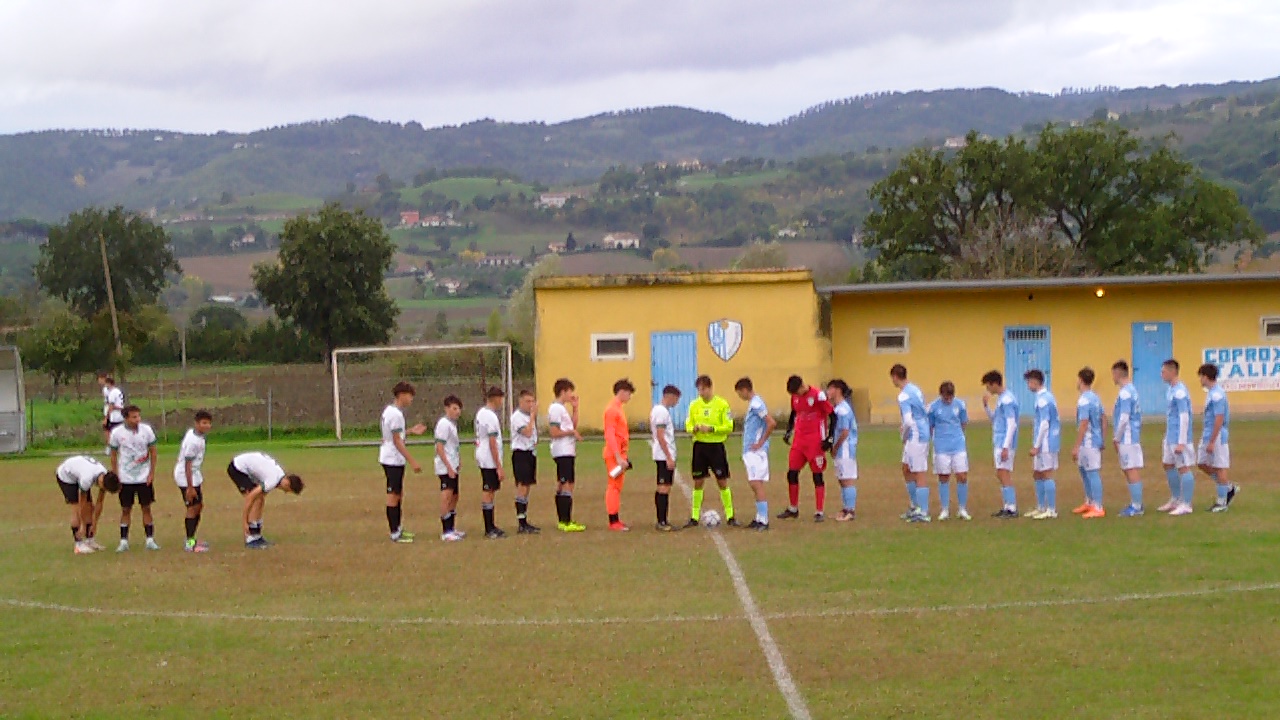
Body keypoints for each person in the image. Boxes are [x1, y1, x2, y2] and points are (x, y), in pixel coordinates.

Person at [779, 374, 833, 522]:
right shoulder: (796, 397)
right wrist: (789, 431)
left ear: (802, 386)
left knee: (817, 475)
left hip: (815, 441)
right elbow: (794, 413)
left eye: (797, 392)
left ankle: (819, 511)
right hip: (799, 440)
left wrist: (830, 438)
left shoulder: (818, 396)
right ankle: (793, 508)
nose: (796, 396)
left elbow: (833, 415)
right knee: (792, 473)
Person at [685, 375, 737, 528]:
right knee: (698, 482)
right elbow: (688, 424)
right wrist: (693, 428)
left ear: (710, 388)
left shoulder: (722, 404)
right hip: (700, 447)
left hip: (716, 447)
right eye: (699, 389)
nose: (701, 392)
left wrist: (712, 429)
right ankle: (694, 517)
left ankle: (730, 515)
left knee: (722, 481)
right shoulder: (694, 405)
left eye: (703, 389)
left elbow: (729, 426)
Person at [381, 382, 429, 544]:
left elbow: (394, 434)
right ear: (401, 395)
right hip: (392, 459)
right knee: (393, 495)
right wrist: (413, 461)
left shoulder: (391, 411)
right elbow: (396, 441)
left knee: (398, 493)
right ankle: (394, 532)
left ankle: (398, 528)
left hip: (392, 458)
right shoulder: (395, 414)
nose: (411, 399)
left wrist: (410, 431)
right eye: (410, 396)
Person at [227, 452, 304, 548]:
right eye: (288, 490)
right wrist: (244, 522)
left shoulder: (279, 475)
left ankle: (256, 535)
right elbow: (250, 498)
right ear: (287, 484)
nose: (285, 492)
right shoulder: (273, 480)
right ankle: (250, 538)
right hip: (237, 468)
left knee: (260, 499)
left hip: (247, 468)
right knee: (256, 500)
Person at [109, 405, 160, 552]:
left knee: (146, 508)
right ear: (126, 418)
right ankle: (123, 541)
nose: (138, 419)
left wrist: (151, 473)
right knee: (126, 509)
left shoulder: (147, 430)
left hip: (143, 478)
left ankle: (150, 540)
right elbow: (113, 454)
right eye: (134, 417)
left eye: (138, 416)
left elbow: (153, 453)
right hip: (126, 478)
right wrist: (116, 474)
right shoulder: (117, 433)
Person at [891, 365, 932, 522]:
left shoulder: (903, 396)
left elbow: (908, 420)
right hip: (919, 431)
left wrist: (904, 435)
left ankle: (923, 511)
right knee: (906, 468)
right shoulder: (916, 389)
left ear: (895, 377)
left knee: (918, 471)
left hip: (916, 435)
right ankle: (915, 506)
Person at [56, 455, 120, 554]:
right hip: (66, 476)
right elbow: (82, 503)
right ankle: (78, 544)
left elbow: (99, 503)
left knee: (90, 507)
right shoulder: (87, 479)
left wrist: (94, 523)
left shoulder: (104, 475)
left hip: (79, 474)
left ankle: (90, 541)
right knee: (76, 508)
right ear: (102, 483)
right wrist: (82, 524)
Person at [735, 377, 776, 531]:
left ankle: (764, 520)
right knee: (754, 483)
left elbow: (771, 422)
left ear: (745, 390)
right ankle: (759, 517)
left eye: (740, 393)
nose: (740, 396)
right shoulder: (754, 403)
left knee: (756, 483)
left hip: (756, 451)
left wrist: (760, 442)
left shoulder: (757, 403)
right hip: (751, 451)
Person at [1197, 363, 1238, 513]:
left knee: (1220, 466)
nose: (1200, 380)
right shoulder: (1211, 393)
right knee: (1201, 462)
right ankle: (1227, 487)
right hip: (1208, 433)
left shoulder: (1217, 395)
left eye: (1201, 376)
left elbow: (1219, 418)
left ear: (1206, 377)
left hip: (1217, 434)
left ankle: (1222, 502)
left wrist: (1213, 441)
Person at [927, 381, 970, 521]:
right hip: (941, 447)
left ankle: (962, 509)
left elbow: (963, 423)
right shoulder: (933, 407)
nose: (948, 399)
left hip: (958, 445)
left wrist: (958, 437)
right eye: (946, 397)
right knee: (943, 477)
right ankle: (944, 509)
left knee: (962, 476)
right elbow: (930, 426)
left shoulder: (960, 405)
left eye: (950, 397)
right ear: (941, 395)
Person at [546, 379, 586, 532]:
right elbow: (554, 432)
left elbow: (572, 426)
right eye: (570, 391)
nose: (572, 395)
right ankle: (565, 521)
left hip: (568, 451)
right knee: (566, 484)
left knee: (567, 482)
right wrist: (571, 433)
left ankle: (565, 520)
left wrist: (575, 409)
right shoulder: (556, 409)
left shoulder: (562, 408)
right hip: (562, 451)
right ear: (563, 391)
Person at [1160, 359, 1196, 516]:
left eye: (1164, 371)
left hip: (1179, 437)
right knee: (1167, 464)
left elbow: (1184, 416)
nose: (1162, 374)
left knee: (1183, 467)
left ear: (1172, 371)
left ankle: (1186, 504)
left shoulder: (1180, 392)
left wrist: (1182, 441)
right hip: (1170, 435)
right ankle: (1175, 499)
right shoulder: (1171, 390)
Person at [982, 370, 1020, 518]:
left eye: (988, 386)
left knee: (1004, 473)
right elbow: (995, 420)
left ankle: (1011, 507)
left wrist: (1006, 446)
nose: (987, 389)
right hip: (999, 440)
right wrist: (986, 407)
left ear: (994, 384)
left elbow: (1012, 424)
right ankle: (1007, 505)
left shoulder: (1007, 400)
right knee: (1001, 473)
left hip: (1004, 442)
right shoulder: (1002, 399)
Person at [174, 410, 213, 552]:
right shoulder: (193, 441)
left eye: (208, 423)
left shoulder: (196, 435)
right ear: (197, 424)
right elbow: (187, 464)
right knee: (192, 508)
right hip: (186, 476)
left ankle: (192, 539)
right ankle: (189, 544)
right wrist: (190, 487)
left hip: (194, 475)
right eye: (203, 423)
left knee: (198, 506)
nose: (207, 426)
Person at [1025, 370, 1061, 520]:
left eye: (1029, 382)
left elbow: (1045, 423)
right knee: (1038, 473)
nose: (1028, 385)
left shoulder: (1043, 400)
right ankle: (1041, 507)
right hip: (1045, 442)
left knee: (1046, 473)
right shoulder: (1046, 397)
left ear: (1035, 381)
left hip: (1046, 443)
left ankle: (1051, 509)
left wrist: (1037, 445)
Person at [1111, 360, 1145, 517]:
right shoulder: (1133, 390)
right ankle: (1136, 503)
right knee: (1130, 468)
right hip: (1133, 435)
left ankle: (1137, 506)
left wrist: (1117, 437)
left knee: (1130, 468)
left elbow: (1124, 417)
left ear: (1118, 373)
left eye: (1113, 373)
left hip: (1127, 436)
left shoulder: (1125, 393)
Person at [1072, 368, 1107, 519]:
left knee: (1092, 472)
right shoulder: (1095, 398)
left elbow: (1084, 423)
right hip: (1094, 440)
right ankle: (1090, 501)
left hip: (1088, 442)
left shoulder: (1084, 400)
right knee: (1084, 470)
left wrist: (1076, 445)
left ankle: (1098, 506)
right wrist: (1103, 438)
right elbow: (1104, 419)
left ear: (1080, 380)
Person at [475, 386, 508, 539]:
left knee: (490, 491)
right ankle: (489, 528)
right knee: (488, 491)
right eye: (501, 398)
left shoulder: (481, 413)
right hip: (489, 459)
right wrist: (499, 466)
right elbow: (492, 441)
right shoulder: (490, 416)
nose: (502, 402)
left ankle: (491, 525)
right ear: (495, 398)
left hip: (483, 455)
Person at [604, 379, 635, 531]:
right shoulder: (612, 410)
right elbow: (609, 434)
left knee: (617, 486)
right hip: (614, 455)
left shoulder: (617, 408)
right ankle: (613, 520)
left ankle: (615, 519)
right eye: (629, 393)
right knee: (614, 486)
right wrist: (617, 456)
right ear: (622, 391)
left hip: (619, 454)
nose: (630, 397)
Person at [825, 379, 859, 523]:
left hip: (845, 449)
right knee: (841, 479)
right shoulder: (838, 408)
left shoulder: (843, 409)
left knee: (847, 480)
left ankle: (850, 510)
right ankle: (845, 509)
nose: (827, 392)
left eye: (830, 389)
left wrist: (836, 446)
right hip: (840, 450)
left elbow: (845, 432)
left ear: (837, 390)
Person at [433, 395, 466, 542]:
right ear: (447, 408)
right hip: (445, 467)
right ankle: (446, 531)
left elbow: (453, 446)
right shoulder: (443, 424)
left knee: (454, 496)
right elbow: (439, 447)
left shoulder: (452, 424)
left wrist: (458, 460)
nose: (457, 411)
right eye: (454, 408)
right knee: (446, 496)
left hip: (453, 465)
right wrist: (448, 466)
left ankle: (452, 528)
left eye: (459, 408)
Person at [650, 385, 682, 531]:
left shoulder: (660, 411)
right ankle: (662, 521)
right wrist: (669, 456)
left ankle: (663, 520)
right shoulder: (661, 412)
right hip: (663, 455)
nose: (676, 402)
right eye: (676, 399)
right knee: (663, 487)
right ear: (670, 396)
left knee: (665, 486)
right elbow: (660, 435)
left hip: (664, 454)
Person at [510, 389, 541, 534]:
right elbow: (527, 432)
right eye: (528, 401)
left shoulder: (528, 416)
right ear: (520, 402)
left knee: (527, 486)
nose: (531, 404)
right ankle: (521, 522)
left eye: (532, 401)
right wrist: (533, 416)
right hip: (520, 453)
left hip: (530, 453)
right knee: (522, 486)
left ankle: (525, 519)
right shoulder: (517, 417)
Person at [98, 371, 125, 454]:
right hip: (116, 414)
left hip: (114, 415)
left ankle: (111, 447)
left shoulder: (112, 392)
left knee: (111, 431)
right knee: (115, 431)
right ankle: (117, 448)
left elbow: (111, 405)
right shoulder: (116, 391)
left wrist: (106, 417)